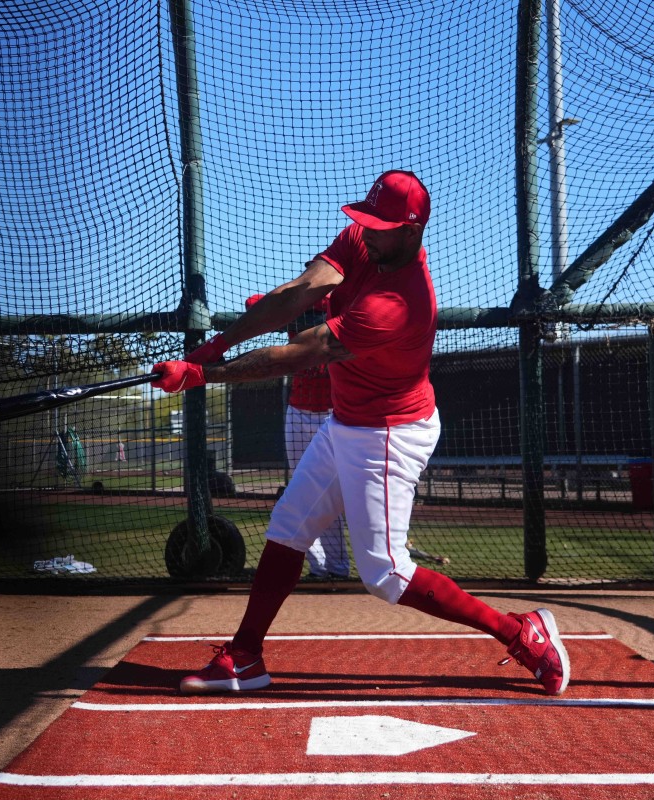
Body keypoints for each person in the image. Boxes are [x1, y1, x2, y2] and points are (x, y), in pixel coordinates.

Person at [151, 170, 569, 696]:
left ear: (411, 231)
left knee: (386, 573)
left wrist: (203, 375)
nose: (367, 232)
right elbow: (297, 293)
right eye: (366, 221)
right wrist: (214, 347)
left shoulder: (400, 303)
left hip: (389, 434)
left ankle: (520, 631)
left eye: (381, 227)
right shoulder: (362, 239)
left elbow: (299, 353)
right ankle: (245, 656)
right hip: (347, 421)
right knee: (289, 525)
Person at [245, 292, 350, 579]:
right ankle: (319, 568)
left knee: (327, 496)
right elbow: (253, 303)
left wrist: (324, 299)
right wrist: (300, 299)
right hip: (298, 411)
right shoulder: (301, 302)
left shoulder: (341, 303)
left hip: (334, 414)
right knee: (299, 493)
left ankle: (337, 568)